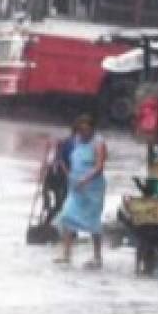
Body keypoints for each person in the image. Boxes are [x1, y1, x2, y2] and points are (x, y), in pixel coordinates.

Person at [55, 114, 108, 269]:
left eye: (86, 130)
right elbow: (64, 158)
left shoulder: (99, 143)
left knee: (93, 221)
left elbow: (99, 167)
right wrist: (68, 173)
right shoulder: (75, 141)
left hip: (93, 188)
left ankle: (97, 257)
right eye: (80, 130)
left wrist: (85, 180)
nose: (83, 133)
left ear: (92, 129)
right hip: (76, 187)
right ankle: (66, 254)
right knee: (67, 216)